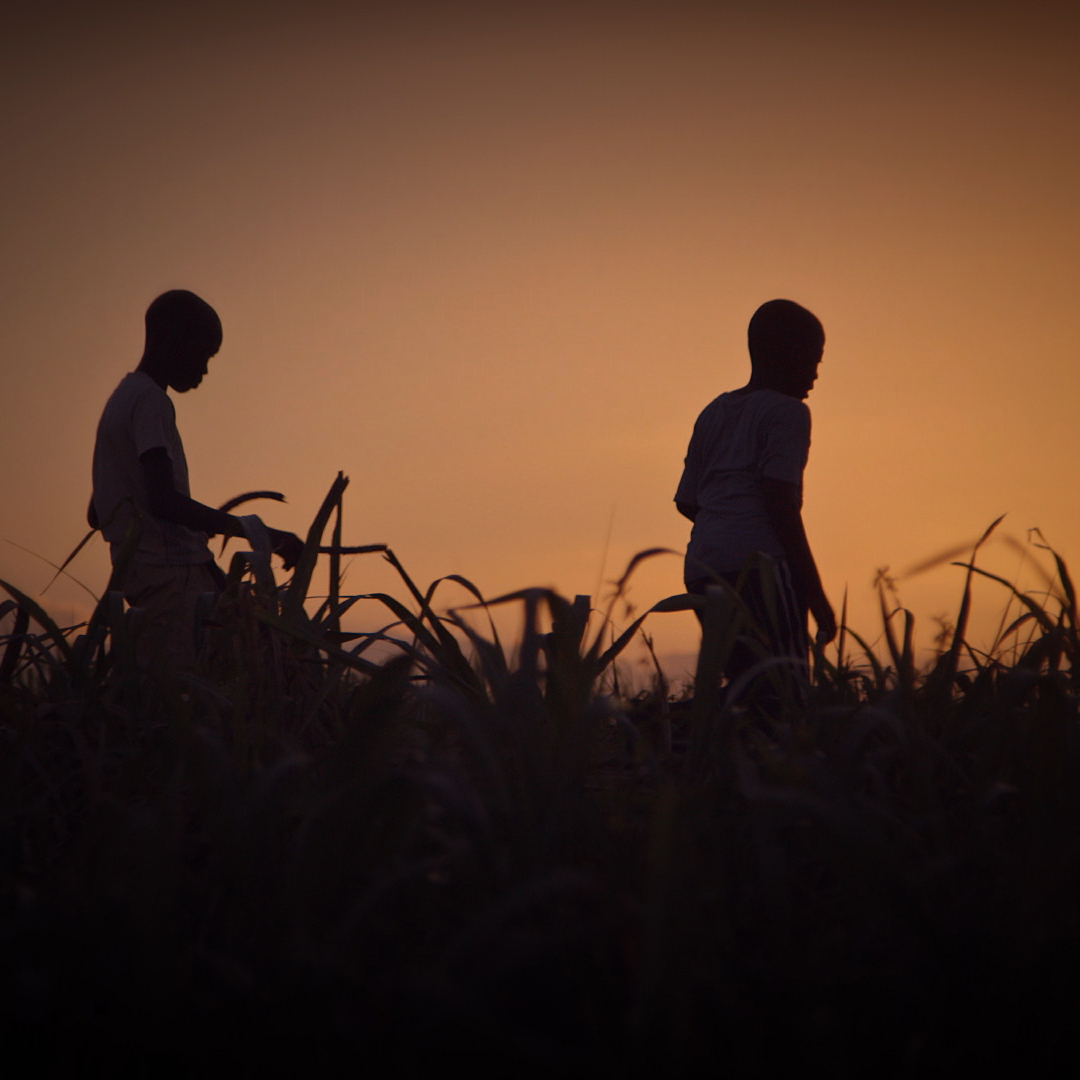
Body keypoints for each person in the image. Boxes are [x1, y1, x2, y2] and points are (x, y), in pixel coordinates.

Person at [89, 289, 303, 669]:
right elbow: (163, 500)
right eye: (204, 356)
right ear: (172, 340)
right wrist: (263, 536)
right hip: (173, 582)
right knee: (187, 700)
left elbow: (97, 511)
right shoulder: (153, 401)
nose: (204, 370)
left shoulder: (121, 399)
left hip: (146, 577)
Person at [675, 299, 836, 700]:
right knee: (786, 691)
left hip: (703, 566)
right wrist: (815, 595)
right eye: (812, 359)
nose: (816, 374)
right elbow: (780, 503)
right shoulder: (788, 413)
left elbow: (687, 501)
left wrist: (724, 525)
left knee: (745, 684)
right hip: (759, 568)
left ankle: (723, 757)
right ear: (783, 353)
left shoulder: (714, 412)